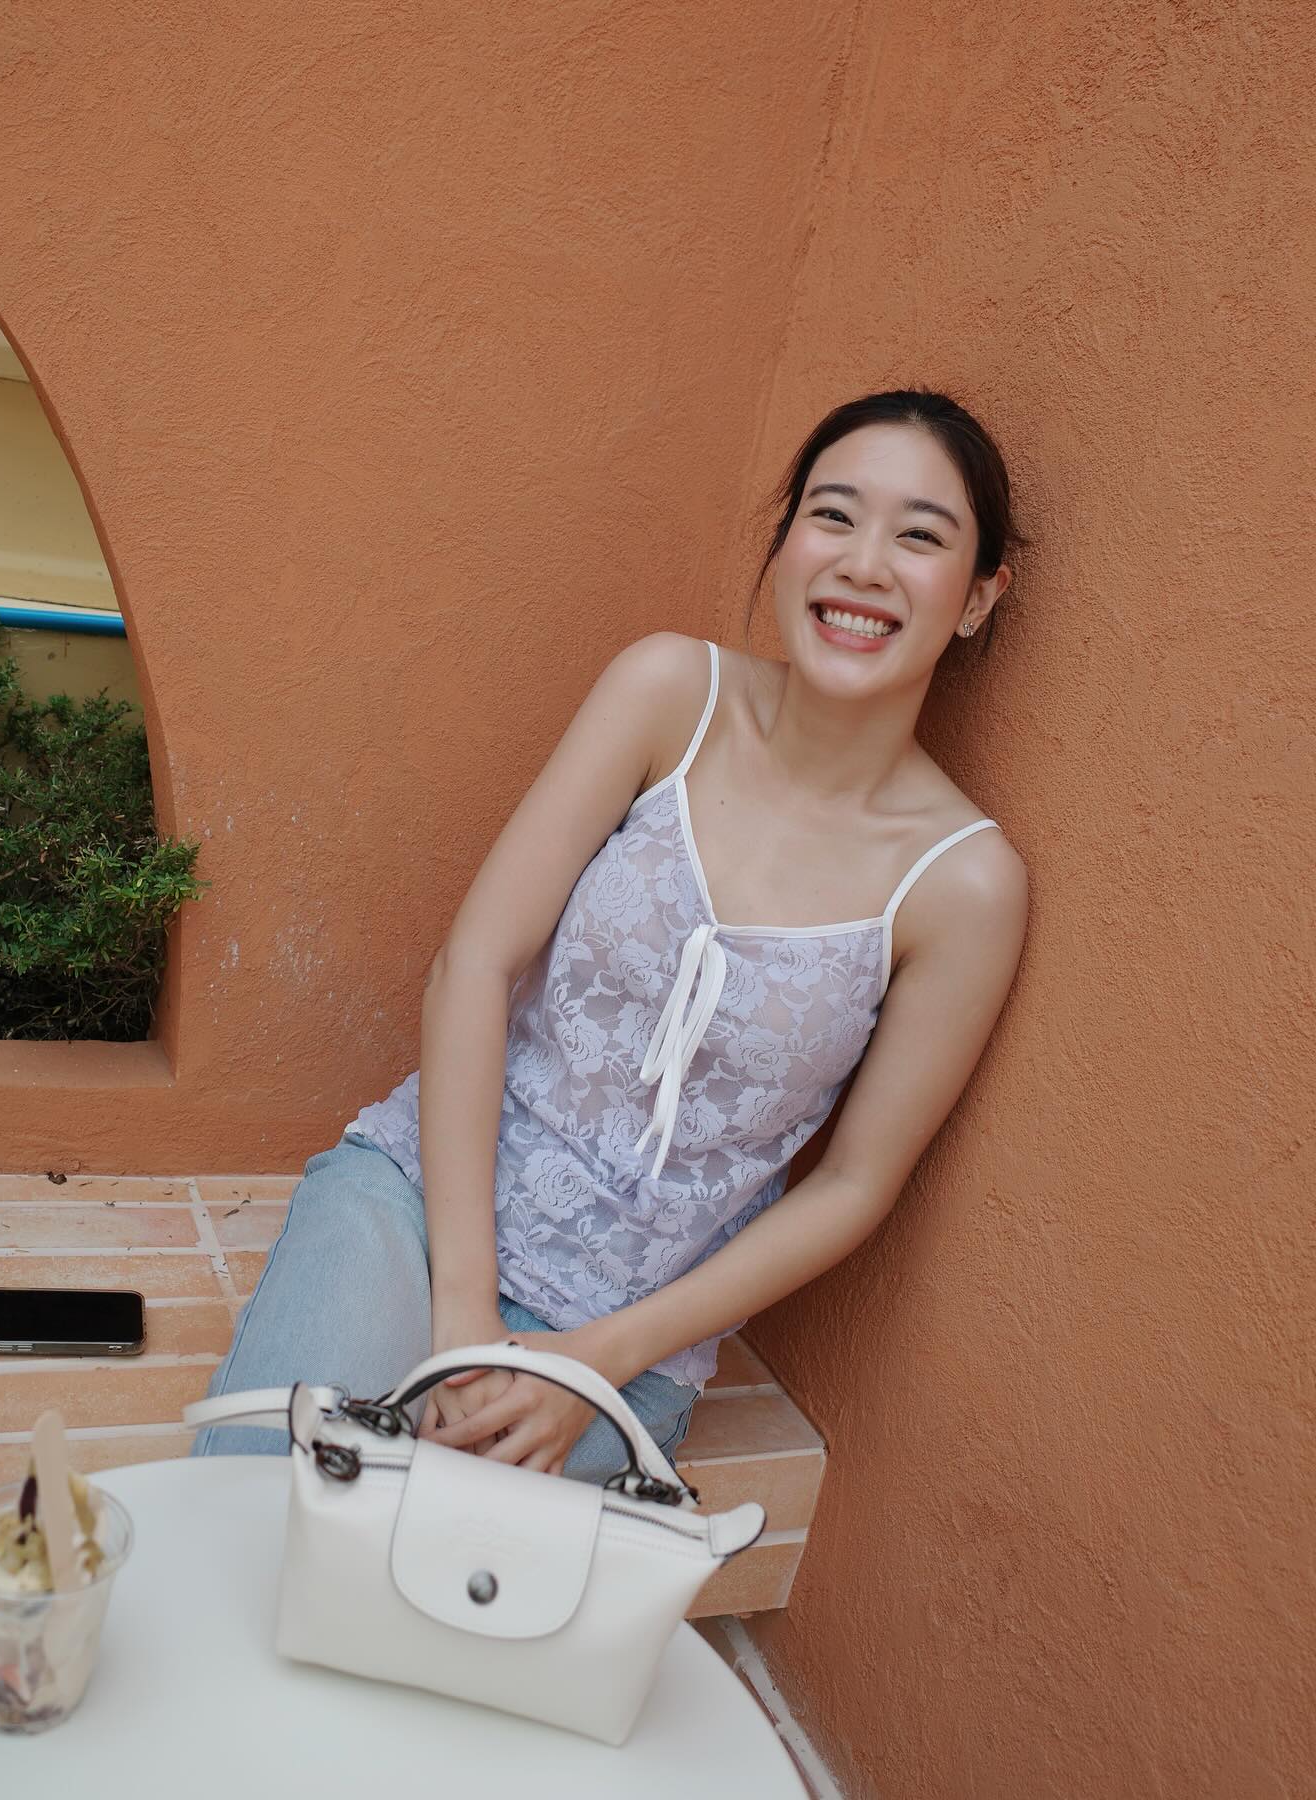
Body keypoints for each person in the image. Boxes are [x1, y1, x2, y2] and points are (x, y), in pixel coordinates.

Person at [191, 388, 1030, 1482]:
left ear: (977, 598)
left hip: (634, 1331)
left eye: (919, 537)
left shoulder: (965, 885)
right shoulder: (669, 692)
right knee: (268, 1485)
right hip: (426, 1206)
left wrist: (596, 1361)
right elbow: (475, 966)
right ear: (785, 544)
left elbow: (852, 1187)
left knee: (449, 1559)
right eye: (833, 515)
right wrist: (464, 1313)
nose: (864, 564)